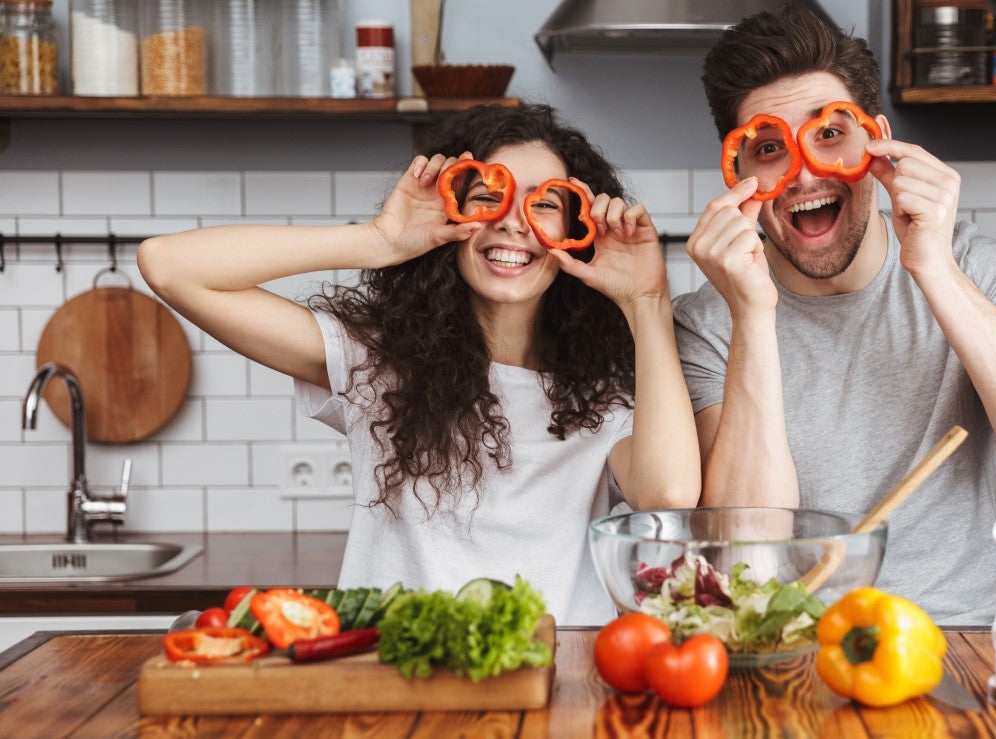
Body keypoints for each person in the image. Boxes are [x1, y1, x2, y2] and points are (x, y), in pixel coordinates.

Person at [138, 103, 700, 626]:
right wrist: (379, 240)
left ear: (578, 235)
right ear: (452, 213)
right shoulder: (377, 364)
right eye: (488, 197)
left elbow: (670, 494)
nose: (512, 223)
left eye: (544, 204)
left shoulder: (607, 395)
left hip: (557, 692)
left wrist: (646, 299)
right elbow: (168, 266)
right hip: (399, 688)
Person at [673, 6, 996, 624]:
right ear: (739, 171)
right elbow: (748, 561)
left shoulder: (974, 268)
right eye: (770, 148)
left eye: (829, 134)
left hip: (952, 653)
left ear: (876, 140)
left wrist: (933, 268)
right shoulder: (706, 322)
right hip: (789, 659)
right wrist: (752, 313)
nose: (803, 171)